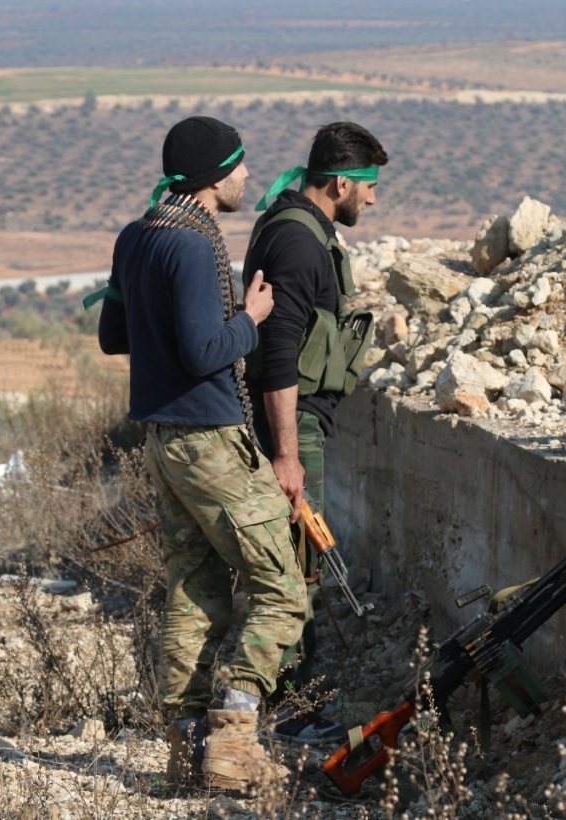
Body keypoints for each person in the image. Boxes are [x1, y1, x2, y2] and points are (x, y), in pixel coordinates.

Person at [96, 116, 307, 790]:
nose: (248, 177)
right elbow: (205, 351)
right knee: (284, 589)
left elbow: (111, 334)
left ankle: (186, 752)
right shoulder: (191, 245)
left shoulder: (137, 236)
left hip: (163, 437)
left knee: (194, 589)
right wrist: (251, 318)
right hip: (210, 439)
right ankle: (233, 741)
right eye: (241, 167)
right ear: (216, 176)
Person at [242, 121, 388, 743]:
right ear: (338, 182)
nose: (373, 199)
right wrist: (286, 454)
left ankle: (281, 702)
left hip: (298, 422)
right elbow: (277, 351)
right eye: (368, 186)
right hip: (294, 425)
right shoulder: (301, 244)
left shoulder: (298, 227)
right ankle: (294, 712)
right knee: (299, 568)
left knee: (298, 563)